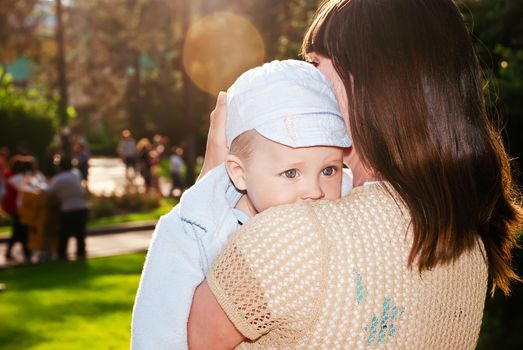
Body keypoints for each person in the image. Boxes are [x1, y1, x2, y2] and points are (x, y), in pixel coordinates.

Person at [187, 1, 523, 349]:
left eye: (315, 64)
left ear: (370, 82)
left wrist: (210, 190)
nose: (304, 80)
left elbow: (172, 337)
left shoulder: (295, 238)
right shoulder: (469, 243)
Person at [131, 59, 352, 349]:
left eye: (329, 170)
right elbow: (156, 337)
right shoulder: (192, 234)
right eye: (290, 173)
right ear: (239, 173)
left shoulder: (350, 209)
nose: (314, 191)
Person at [46, 156, 89, 261]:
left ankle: (61, 254)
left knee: (64, 233)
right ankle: (81, 253)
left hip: (67, 208)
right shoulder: (76, 173)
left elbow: (49, 192)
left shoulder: (59, 178)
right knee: (80, 233)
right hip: (81, 206)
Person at [2, 155, 33, 263]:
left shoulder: (11, 175)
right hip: (16, 207)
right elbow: (27, 189)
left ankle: (20, 251)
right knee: (21, 228)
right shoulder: (15, 178)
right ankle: (26, 252)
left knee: (19, 229)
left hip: (13, 206)